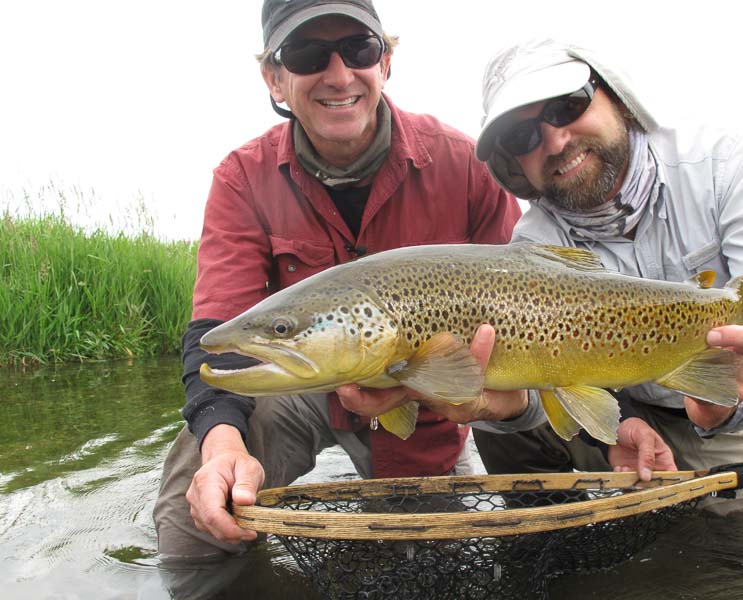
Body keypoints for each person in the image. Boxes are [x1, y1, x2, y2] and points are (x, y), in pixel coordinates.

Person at [152, 0, 548, 569]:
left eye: (359, 50)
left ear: (384, 61)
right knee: (195, 519)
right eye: (309, 54)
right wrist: (222, 445)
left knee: (428, 562)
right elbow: (218, 328)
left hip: (433, 403)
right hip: (305, 390)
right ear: (275, 77)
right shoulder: (242, 177)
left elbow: (531, 298)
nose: (339, 75)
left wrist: (449, 390)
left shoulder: (463, 164)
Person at [472, 39, 743, 518]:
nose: (555, 141)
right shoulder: (533, 244)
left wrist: (733, 392)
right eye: (522, 137)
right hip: (625, 408)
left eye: (567, 106)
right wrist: (625, 425)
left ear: (616, 98)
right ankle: (557, 546)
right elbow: (553, 377)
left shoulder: (724, 165)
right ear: (513, 161)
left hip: (742, 408)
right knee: (504, 416)